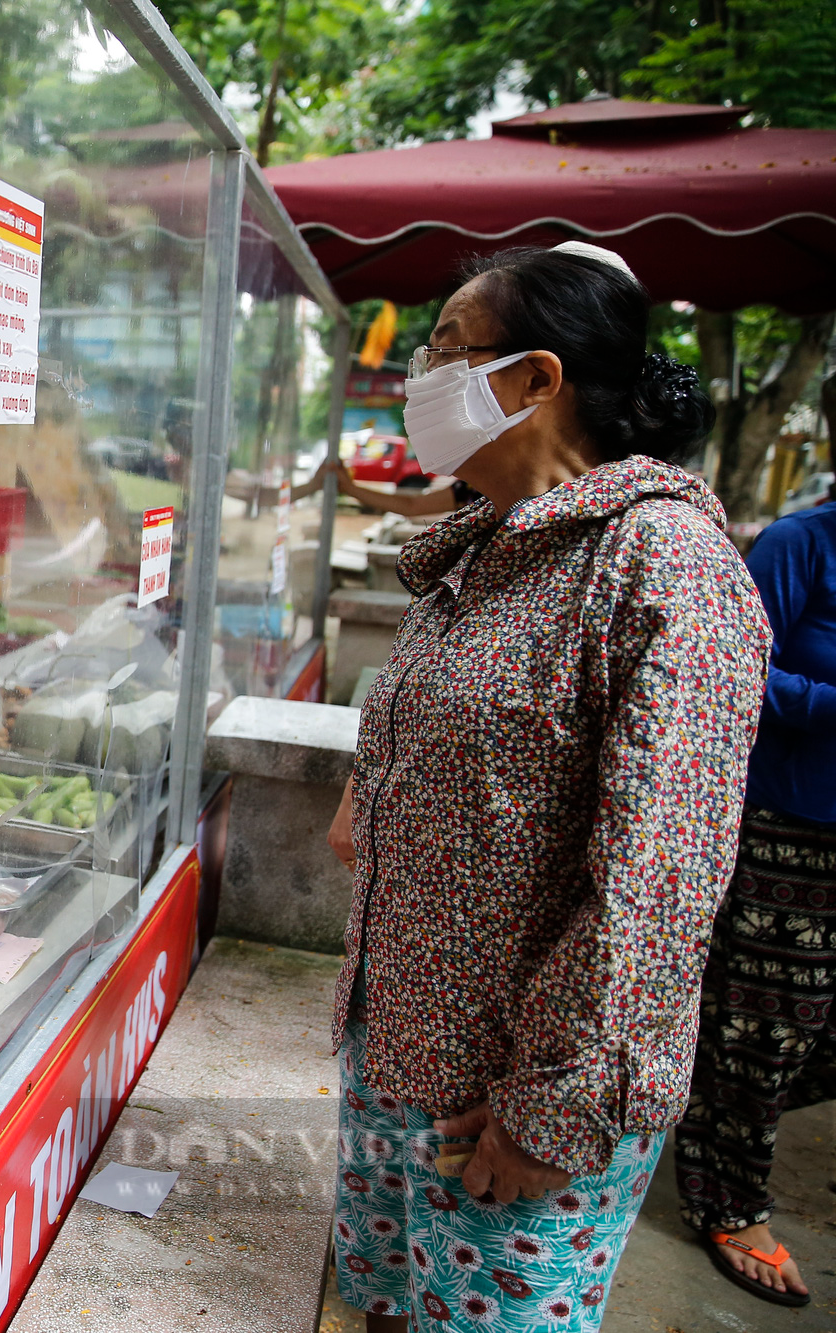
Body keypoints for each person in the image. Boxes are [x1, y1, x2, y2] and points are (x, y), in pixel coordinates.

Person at [322, 241, 770, 1333]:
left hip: (514, 1102)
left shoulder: (662, 568)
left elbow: (655, 887)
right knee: (385, 1307)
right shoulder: (485, 549)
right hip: (401, 1046)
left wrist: (548, 1108)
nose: (421, 376)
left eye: (443, 347)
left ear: (534, 379)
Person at [673, 493, 836, 1307]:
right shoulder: (801, 544)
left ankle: (698, 1093)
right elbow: (732, 674)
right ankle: (731, 1200)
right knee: (770, 1028)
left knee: (785, 1036)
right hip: (794, 825)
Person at [315, 456, 478, 517]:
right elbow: (412, 506)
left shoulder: (477, 488)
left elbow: (411, 507)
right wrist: (350, 488)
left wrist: (350, 488)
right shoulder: (472, 489)